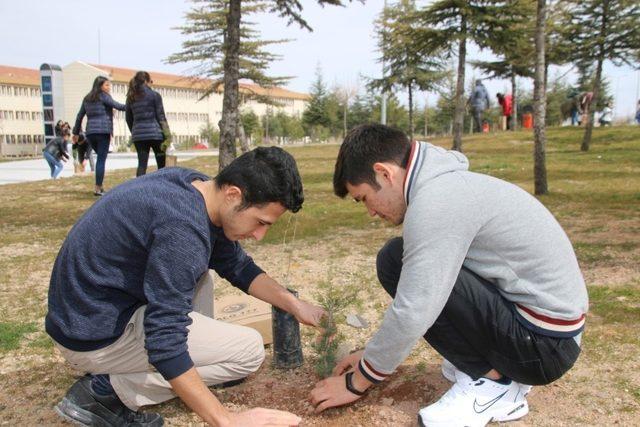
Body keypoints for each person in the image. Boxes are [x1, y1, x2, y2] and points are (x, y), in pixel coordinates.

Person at [310, 124, 588, 427]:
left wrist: (359, 380)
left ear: (384, 173)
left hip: (542, 347)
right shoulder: (446, 187)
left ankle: (495, 386)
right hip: (545, 333)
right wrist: (372, 354)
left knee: (398, 266)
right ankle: (494, 369)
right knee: (396, 259)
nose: (371, 213)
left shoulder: (437, 202)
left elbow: (415, 308)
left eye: (363, 198)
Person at [47, 147, 321, 427]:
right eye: (260, 222)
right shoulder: (183, 229)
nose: (260, 235)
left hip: (87, 315)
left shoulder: (194, 186)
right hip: (93, 338)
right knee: (248, 352)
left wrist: (292, 303)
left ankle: (173, 367)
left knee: (201, 277)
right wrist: (226, 419)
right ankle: (105, 392)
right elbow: (164, 340)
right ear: (233, 195)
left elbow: (236, 265)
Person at [72, 76, 126, 196]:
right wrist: (134, 105)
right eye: (107, 85)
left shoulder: (87, 98)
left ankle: (99, 186)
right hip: (103, 132)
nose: (109, 87)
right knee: (101, 160)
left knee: (100, 158)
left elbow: (79, 116)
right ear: (100, 85)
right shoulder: (104, 96)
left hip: (90, 133)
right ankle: (98, 188)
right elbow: (119, 106)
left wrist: (75, 132)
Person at [125, 71, 169, 177]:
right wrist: (167, 134)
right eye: (151, 81)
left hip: (139, 137)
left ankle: (139, 190)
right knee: (161, 164)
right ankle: (162, 187)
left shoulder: (130, 97)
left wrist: (135, 132)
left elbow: (128, 118)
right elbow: (161, 117)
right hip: (156, 135)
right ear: (146, 81)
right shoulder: (155, 95)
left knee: (142, 165)